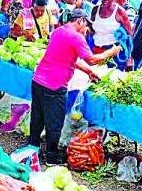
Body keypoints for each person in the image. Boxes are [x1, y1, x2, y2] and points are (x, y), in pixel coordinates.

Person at [29, 9, 121, 165]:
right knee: (55, 122)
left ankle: (32, 150)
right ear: (80, 21)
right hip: (54, 85)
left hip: (38, 80)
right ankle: (51, 157)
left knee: (37, 118)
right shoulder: (76, 37)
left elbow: (71, 59)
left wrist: (89, 72)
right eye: (86, 25)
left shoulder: (58, 31)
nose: (86, 30)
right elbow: (91, 59)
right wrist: (112, 51)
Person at [89, 0, 134, 70]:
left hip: (114, 52)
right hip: (97, 50)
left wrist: (129, 57)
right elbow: (92, 29)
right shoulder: (95, 10)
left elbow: (129, 34)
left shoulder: (120, 12)